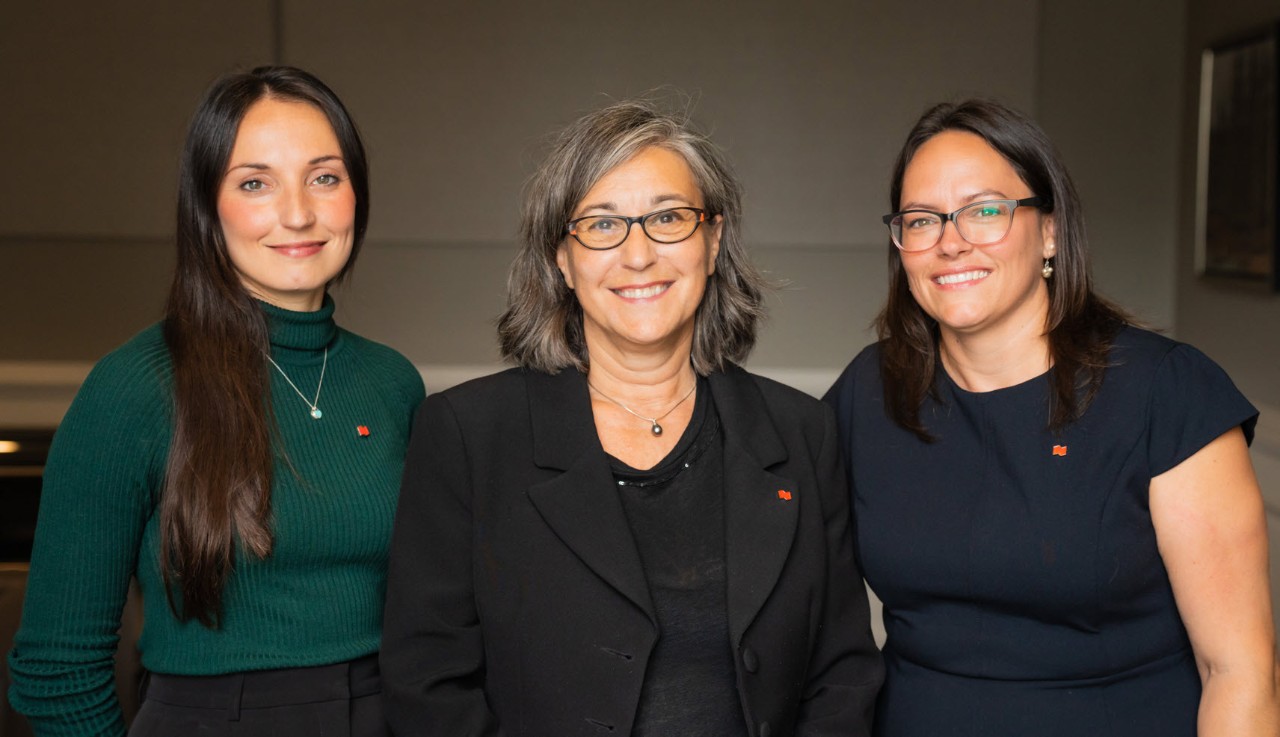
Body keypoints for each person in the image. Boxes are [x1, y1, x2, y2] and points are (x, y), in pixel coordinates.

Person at [381, 99, 883, 737]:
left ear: (713, 237)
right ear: (561, 258)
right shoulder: (467, 434)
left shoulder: (800, 433)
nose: (638, 254)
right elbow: (427, 681)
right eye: (601, 225)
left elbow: (841, 675)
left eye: (668, 218)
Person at [825, 98, 1279, 736]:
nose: (951, 243)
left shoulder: (1166, 392)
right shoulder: (868, 392)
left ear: (1050, 231)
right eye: (922, 220)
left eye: (986, 210)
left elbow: (1240, 672)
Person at [7, 66, 425, 736]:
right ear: (208, 206)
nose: (298, 213)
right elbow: (57, 669)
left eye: (325, 176)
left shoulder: (393, 382)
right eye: (255, 182)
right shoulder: (135, 386)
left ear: (357, 193)